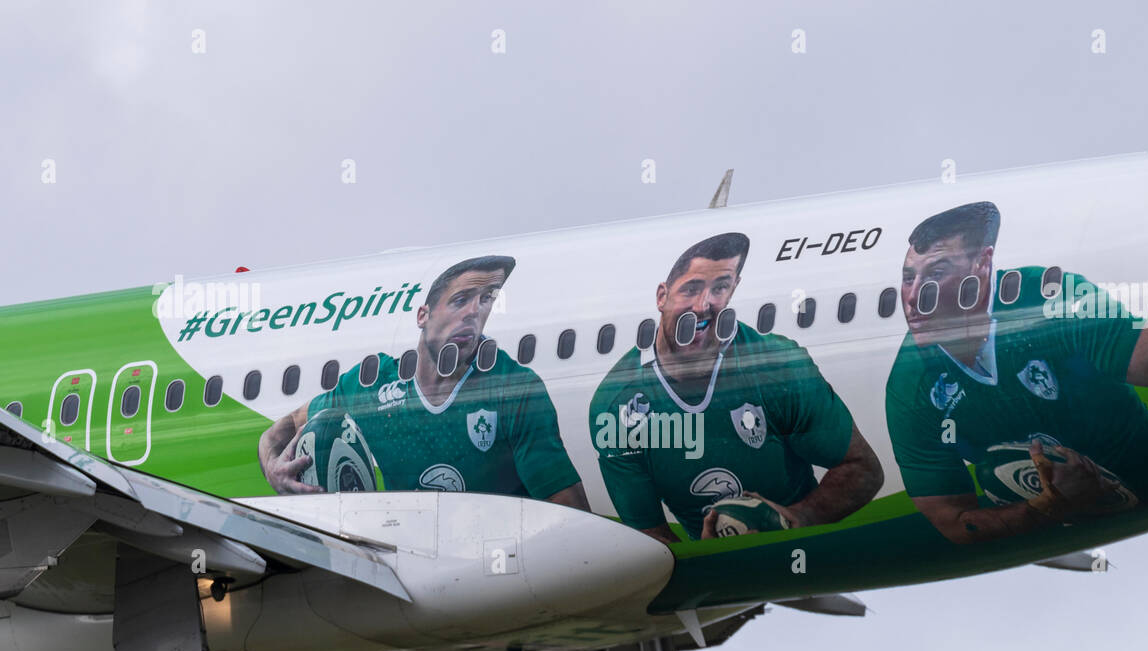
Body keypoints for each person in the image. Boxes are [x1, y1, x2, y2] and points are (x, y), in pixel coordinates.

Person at [884, 201, 1148, 545]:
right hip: (1054, 530)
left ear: (983, 263)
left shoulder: (1046, 298)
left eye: (936, 273)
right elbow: (954, 522)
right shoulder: (910, 384)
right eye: (907, 278)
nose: (914, 297)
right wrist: (1050, 506)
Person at [589, 232, 882, 543]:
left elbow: (863, 469)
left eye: (720, 288)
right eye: (691, 289)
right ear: (662, 296)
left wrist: (797, 518)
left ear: (733, 290)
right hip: (714, 572)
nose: (703, 305)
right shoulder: (616, 404)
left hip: (806, 550)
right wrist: (711, 562)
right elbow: (649, 536)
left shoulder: (775, 365)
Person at [259, 255, 589, 508]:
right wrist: (273, 467)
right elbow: (285, 426)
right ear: (423, 315)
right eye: (461, 300)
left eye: (486, 300)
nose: (474, 312)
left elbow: (575, 530)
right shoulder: (371, 386)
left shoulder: (513, 387)